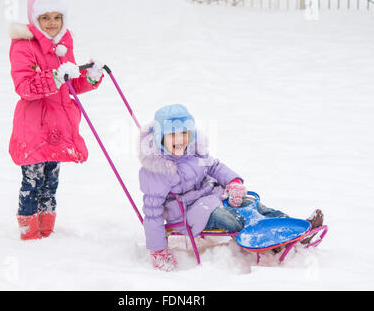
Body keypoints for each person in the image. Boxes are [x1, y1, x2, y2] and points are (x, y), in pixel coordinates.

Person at [138, 104, 323, 271]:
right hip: (188, 211)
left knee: (252, 204)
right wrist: (158, 249)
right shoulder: (157, 171)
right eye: (172, 135)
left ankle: (292, 225)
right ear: (160, 137)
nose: (180, 140)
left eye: (184, 133)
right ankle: (275, 242)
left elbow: (214, 166)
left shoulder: (194, 152)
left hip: (213, 194)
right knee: (231, 219)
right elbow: (152, 213)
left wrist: (233, 182)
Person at [8, 0, 104, 240]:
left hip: (58, 126)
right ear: (34, 19)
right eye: (45, 17)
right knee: (32, 183)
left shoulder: (63, 44)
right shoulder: (24, 45)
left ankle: (47, 232)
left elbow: (69, 85)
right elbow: (25, 87)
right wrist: (55, 77)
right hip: (34, 126)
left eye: (57, 17)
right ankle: (29, 234)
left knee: (51, 183)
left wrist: (90, 77)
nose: (52, 23)